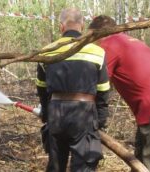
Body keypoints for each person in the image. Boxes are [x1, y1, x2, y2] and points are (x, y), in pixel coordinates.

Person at [36, 8, 110, 171]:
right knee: (83, 167)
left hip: (56, 115)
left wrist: (47, 114)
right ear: (82, 26)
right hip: (84, 115)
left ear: (61, 26)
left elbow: (41, 88)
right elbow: (103, 91)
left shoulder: (46, 51)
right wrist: (100, 121)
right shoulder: (98, 52)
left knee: (56, 166)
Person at [89, 15, 150, 170]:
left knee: (146, 160)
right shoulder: (130, 41)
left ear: (97, 34)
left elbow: (98, 84)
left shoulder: (109, 45)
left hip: (148, 108)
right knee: (141, 156)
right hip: (146, 108)